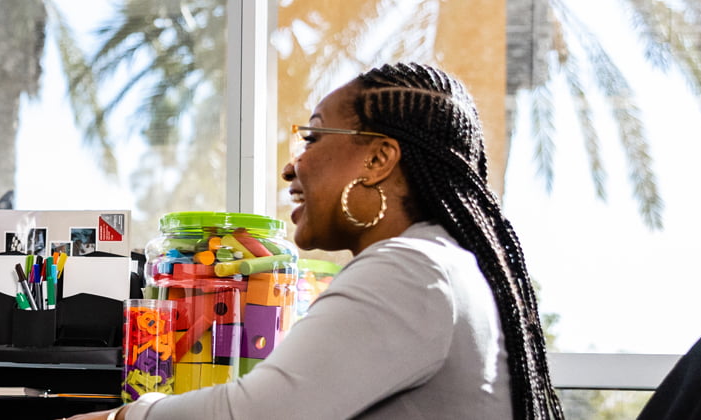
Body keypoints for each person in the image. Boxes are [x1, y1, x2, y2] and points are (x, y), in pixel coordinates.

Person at [68, 63, 564, 419]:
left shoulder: (411, 271)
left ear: (377, 160)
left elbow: (257, 414)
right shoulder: (440, 263)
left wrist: (124, 417)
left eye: (313, 137)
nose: (292, 165)